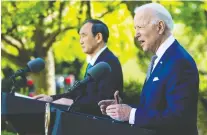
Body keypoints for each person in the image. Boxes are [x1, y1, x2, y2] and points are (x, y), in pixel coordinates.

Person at [98, 3, 199, 135]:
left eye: (139, 27)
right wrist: (124, 108)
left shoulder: (180, 62)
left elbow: (178, 118)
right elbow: (156, 107)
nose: (136, 35)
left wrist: (131, 114)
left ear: (160, 27)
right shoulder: (161, 58)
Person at [34, 19, 123, 116]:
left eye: (84, 36)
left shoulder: (108, 63)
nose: (80, 41)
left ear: (98, 37)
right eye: (80, 37)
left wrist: (72, 103)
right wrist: (51, 98)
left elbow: (101, 102)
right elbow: (78, 92)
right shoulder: (94, 62)